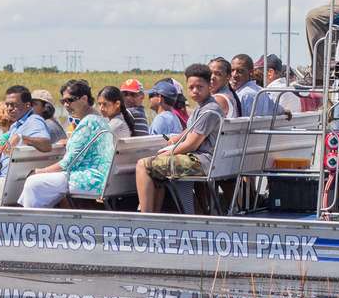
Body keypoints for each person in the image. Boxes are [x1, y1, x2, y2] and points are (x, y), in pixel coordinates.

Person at [135, 65, 225, 214]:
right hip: (204, 159)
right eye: (191, 87)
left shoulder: (209, 110)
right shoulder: (202, 108)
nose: (195, 91)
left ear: (209, 86)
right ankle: (155, 214)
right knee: (155, 167)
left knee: (143, 165)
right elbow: (189, 132)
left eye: (199, 87)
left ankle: (145, 216)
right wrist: (173, 140)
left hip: (202, 162)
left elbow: (191, 144)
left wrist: (163, 154)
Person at [20, 81, 115, 208]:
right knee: (39, 182)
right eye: (63, 101)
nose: (66, 105)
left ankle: (31, 221)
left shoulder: (87, 123)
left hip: (90, 179)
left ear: (84, 99)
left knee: (33, 182)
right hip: (100, 176)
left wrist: (39, 171)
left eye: (69, 100)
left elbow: (67, 163)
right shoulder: (97, 119)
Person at [0, 86, 55, 203]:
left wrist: (21, 137)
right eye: (7, 105)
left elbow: (46, 145)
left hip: (8, 183)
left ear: (27, 105)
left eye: (13, 105)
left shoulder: (34, 121)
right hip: (11, 181)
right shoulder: (16, 125)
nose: (9, 109)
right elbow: (0, 150)